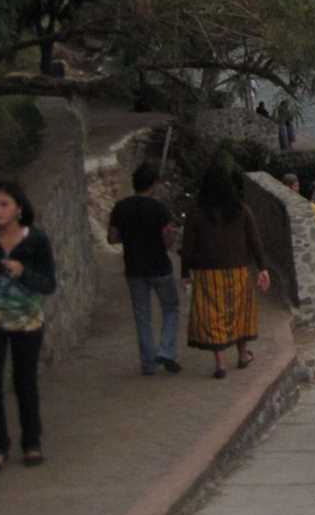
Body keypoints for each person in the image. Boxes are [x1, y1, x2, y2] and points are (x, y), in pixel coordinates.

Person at [181, 160, 272, 379]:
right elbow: (254, 239)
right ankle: (242, 355)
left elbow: (188, 244)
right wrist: (263, 268)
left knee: (213, 315)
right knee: (239, 312)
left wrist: (184, 272)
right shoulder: (240, 209)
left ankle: (220, 363)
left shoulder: (196, 211)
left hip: (207, 272)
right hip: (237, 269)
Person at [0, 181, 57, 472]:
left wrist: (22, 272)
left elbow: (48, 283)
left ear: (19, 208)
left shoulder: (36, 240)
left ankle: (31, 442)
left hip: (27, 322)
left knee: (24, 381)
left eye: (4, 204)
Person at [108, 163, 181, 375]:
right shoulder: (159, 209)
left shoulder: (121, 208)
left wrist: (130, 236)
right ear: (153, 184)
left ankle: (148, 362)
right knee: (170, 308)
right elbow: (167, 241)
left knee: (142, 316)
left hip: (134, 268)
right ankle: (166, 351)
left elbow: (112, 237)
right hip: (159, 266)